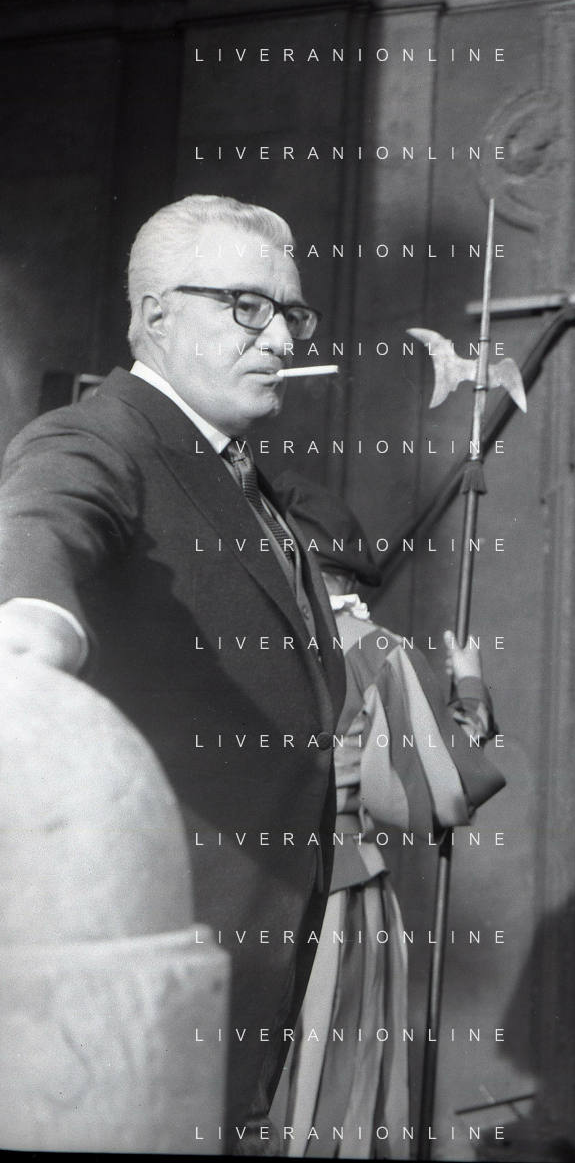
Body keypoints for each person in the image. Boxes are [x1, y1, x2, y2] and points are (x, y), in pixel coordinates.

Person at [0, 195, 346, 1151]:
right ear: (155, 314)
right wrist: (26, 634)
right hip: (152, 949)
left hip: (246, 939)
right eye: (247, 306)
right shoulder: (102, 433)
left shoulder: (235, 469)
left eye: (291, 312)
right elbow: (42, 516)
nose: (280, 337)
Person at [266, 470, 504, 1155]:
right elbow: (440, 786)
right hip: (335, 891)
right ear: (345, 574)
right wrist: (469, 685)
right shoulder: (376, 652)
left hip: (242, 887)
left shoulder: (241, 640)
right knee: (334, 1075)